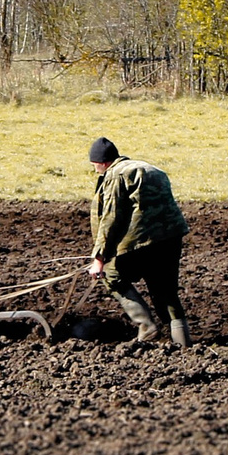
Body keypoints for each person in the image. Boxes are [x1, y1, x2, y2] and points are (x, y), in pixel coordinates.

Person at [84, 137, 190, 347]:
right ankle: (185, 346)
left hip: (143, 240)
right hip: (171, 238)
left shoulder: (115, 175)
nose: (94, 168)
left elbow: (110, 218)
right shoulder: (150, 168)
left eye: (94, 164)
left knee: (111, 275)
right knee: (165, 292)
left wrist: (99, 258)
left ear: (102, 162)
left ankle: (146, 327)